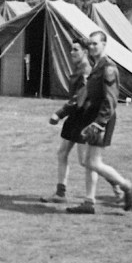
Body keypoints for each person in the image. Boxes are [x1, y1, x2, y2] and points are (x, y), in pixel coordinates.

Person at [66, 31, 132, 214]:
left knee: (94, 162)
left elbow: (111, 99)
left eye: (95, 44)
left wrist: (99, 123)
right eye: (89, 44)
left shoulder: (108, 68)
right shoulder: (96, 66)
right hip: (93, 116)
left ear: (104, 45)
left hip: (102, 118)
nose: (91, 47)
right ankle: (89, 201)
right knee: (90, 161)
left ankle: (126, 186)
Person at [41, 37, 92, 203]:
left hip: (83, 118)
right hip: (74, 117)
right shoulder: (78, 68)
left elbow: (79, 98)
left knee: (86, 161)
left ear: (85, 52)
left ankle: (117, 184)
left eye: (76, 49)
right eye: (71, 49)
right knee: (62, 152)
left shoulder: (86, 70)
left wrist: (60, 113)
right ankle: (60, 193)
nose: (71, 52)